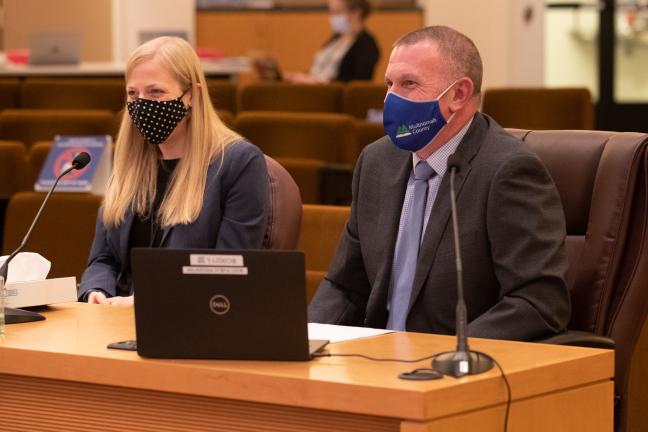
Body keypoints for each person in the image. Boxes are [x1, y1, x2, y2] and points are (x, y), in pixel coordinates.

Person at [308, 26, 571, 341]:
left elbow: (539, 302)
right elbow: (345, 285)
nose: (392, 98)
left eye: (409, 84)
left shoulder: (508, 170)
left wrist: (451, 355)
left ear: (458, 94)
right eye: (390, 84)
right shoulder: (377, 161)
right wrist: (303, 342)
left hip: (457, 368)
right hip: (376, 361)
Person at [78, 37, 269, 306]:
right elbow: (103, 259)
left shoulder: (239, 163)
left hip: (190, 323)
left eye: (156, 92)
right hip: (113, 321)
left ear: (192, 95)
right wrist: (97, 291)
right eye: (133, 94)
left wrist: (145, 300)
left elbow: (228, 272)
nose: (142, 104)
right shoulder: (129, 163)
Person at [284, 0, 379, 83]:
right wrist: (300, 77)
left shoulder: (367, 44)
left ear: (356, 12)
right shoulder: (335, 38)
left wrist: (316, 82)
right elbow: (319, 70)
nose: (332, 17)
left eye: (337, 12)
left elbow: (358, 83)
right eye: (330, 11)